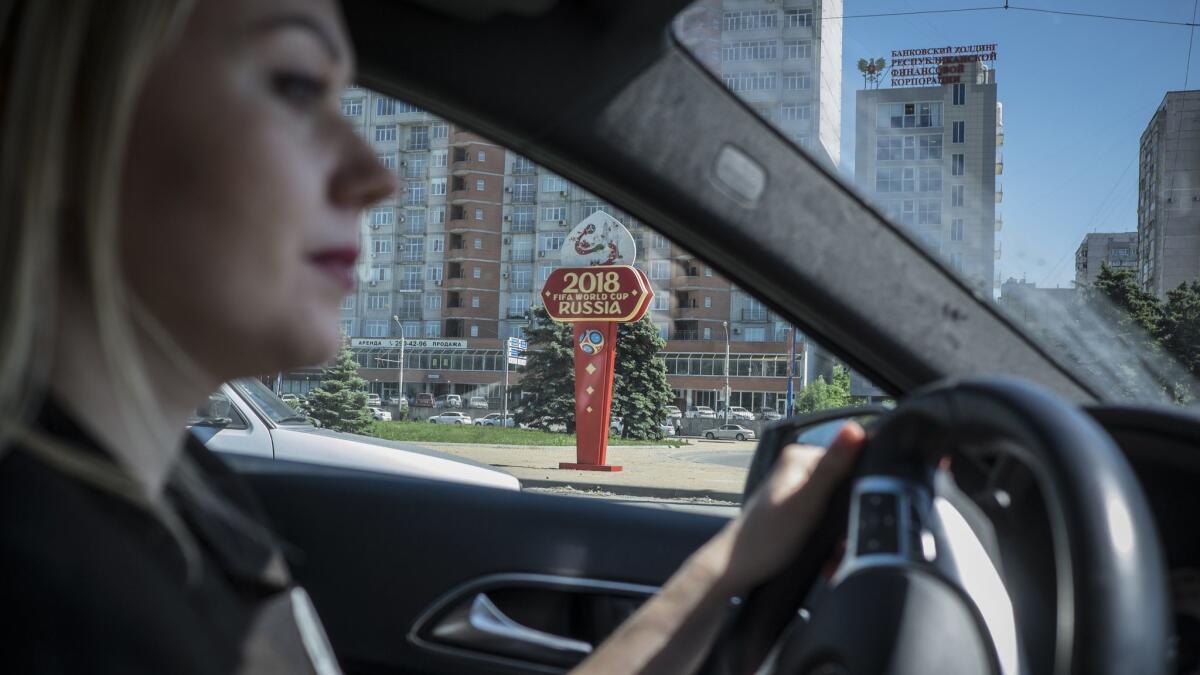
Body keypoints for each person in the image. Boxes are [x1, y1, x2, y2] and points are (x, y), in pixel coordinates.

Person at [0, 0, 864, 672]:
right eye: (298, 85)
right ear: (71, 117)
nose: (377, 176)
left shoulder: (181, 496)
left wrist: (737, 559)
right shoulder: (58, 605)